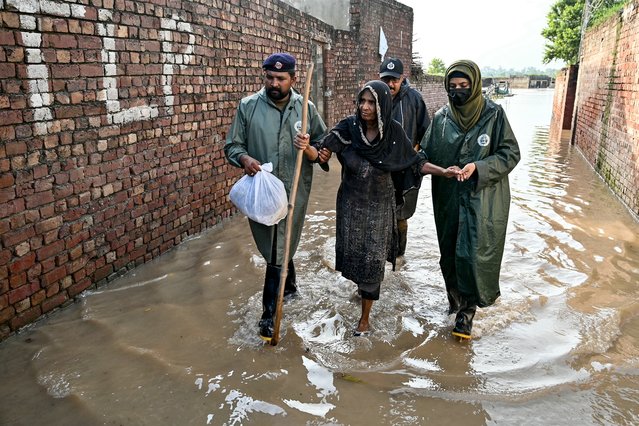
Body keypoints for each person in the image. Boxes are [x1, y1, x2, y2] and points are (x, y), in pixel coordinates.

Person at [224, 52, 327, 342]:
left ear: (293, 79)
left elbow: (323, 148)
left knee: (280, 246)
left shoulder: (305, 108)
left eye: (281, 78)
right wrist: (244, 159)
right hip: (263, 192)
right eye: (269, 77)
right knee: (273, 245)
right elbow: (232, 145)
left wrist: (308, 147)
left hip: (296, 190)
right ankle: (290, 287)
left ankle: (269, 314)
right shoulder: (248, 107)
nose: (274, 83)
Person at [417, 60, 521, 340]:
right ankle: (454, 302)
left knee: (472, 254)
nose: (458, 91)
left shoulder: (494, 115)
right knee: (449, 253)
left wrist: (479, 167)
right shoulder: (441, 118)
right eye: (452, 87)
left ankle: (466, 313)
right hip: (448, 198)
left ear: (474, 86)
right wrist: (442, 171)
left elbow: (510, 154)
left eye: (464, 86)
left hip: (483, 199)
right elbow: (423, 155)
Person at [309, 80, 420, 336]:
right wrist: (313, 151)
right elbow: (322, 151)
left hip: (380, 207)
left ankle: (365, 320)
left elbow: (414, 162)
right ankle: (362, 291)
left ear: (383, 106)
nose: (365, 107)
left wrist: (443, 171)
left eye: (372, 102)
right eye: (362, 101)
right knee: (354, 256)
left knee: (372, 262)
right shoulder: (349, 128)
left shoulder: (393, 134)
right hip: (351, 205)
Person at [379, 58, 430, 257]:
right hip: (380, 168)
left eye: (395, 80)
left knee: (401, 215)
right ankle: (381, 256)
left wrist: (416, 155)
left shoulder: (415, 99)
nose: (391, 84)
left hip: (406, 168)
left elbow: (427, 133)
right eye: (387, 79)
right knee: (379, 213)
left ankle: (399, 258)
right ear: (379, 78)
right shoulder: (373, 97)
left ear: (403, 78)